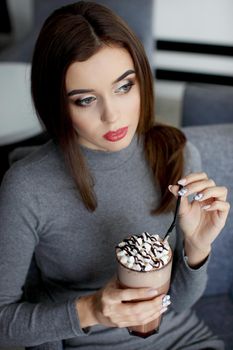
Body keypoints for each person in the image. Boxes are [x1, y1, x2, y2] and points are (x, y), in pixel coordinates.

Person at [0, 2, 230, 349]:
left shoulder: (176, 155)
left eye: (124, 87)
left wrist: (196, 249)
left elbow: (178, 305)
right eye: (86, 100)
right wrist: (90, 310)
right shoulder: (28, 187)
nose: (113, 116)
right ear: (57, 103)